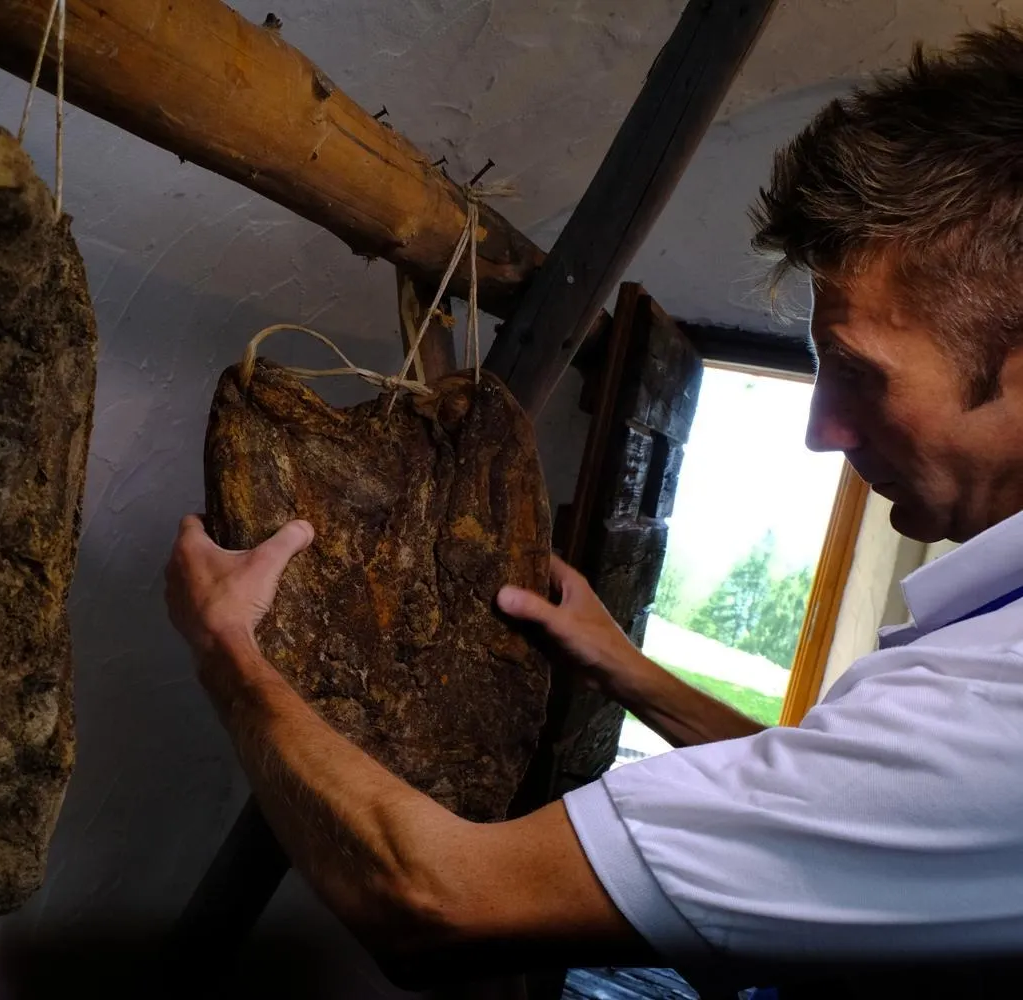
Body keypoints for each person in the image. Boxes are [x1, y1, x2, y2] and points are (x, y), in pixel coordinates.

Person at [165, 23, 1023, 995]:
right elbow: (840, 801)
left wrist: (226, 647)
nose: (823, 432)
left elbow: (434, 901)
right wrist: (620, 663)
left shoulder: (996, 711)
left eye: (862, 373)